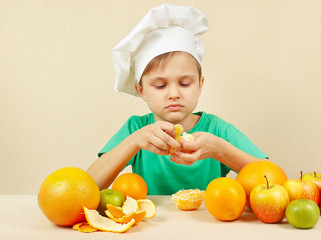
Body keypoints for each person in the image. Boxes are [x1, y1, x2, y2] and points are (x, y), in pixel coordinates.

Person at [87, 4, 268, 195]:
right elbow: (88, 186)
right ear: (141, 90)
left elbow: (271, 179)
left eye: (184, 83)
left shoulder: (219, 131)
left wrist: (219, 150)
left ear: (200, 85)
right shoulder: (136, 129)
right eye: (160, 86)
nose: (174, 94)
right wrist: (134, 142)